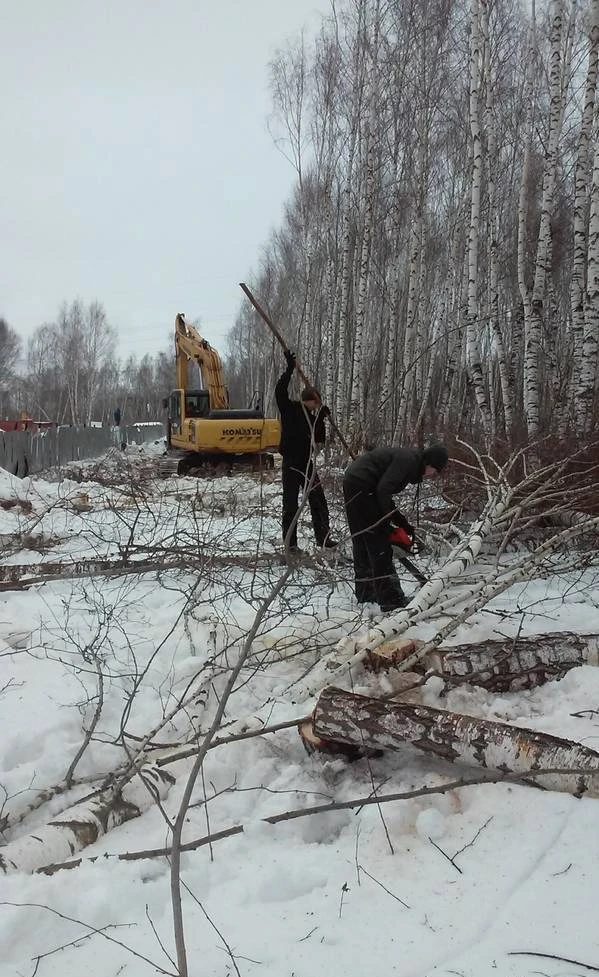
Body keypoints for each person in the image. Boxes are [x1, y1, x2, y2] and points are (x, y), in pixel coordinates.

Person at [342, 443, 449, 612]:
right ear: (430, 463)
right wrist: (386, 522)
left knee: (362, 540)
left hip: (354, 482)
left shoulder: (408, 459)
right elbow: (383, 490)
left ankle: (366, 596)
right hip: (363, 486)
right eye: (435, 471)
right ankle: (391, 601)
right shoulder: (408, 461)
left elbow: (384, 491)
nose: (433, 475)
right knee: (379, 546)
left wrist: (402, 523)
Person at [275, 349, 337, 553]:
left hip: (306, 462)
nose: (316, 406)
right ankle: (290, 545)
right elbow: (279, 392)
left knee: (318, 498)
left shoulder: (312, 416)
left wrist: (321, 418)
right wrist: (289, 369)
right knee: (290, 505)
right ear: (309, 399)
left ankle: (324, 538)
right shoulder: (290, 408)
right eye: (315, 403)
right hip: (291, 462)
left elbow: (317, 438)